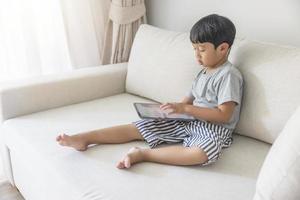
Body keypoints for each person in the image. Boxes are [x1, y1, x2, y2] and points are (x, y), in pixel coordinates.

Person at [56, 14, 243, 169]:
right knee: (139, 127)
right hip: (190, 121)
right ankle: (85, 138)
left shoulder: (229, 75)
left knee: (200, 154)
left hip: (214, 129)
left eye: (201, 50)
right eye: (194, 49)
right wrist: (172, 110)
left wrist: (186, 110)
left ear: (223, 48)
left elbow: (224, 115)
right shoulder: (203, 72)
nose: (196, 55)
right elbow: (187, 101)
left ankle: (143, 155)